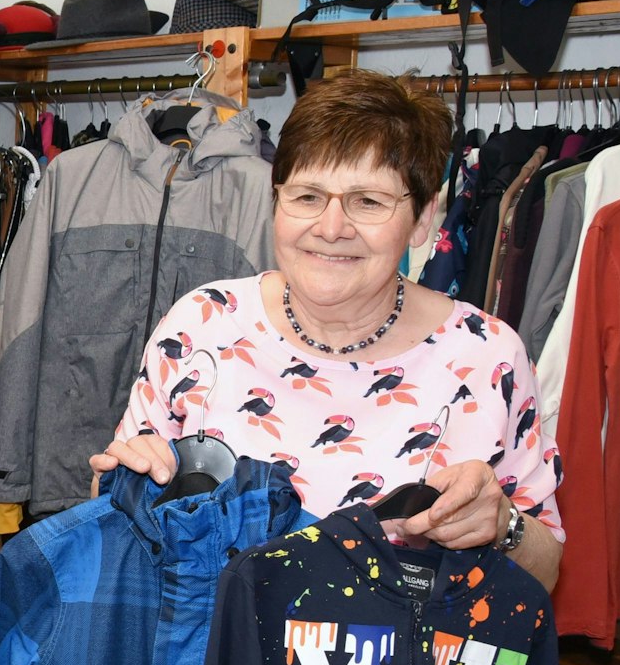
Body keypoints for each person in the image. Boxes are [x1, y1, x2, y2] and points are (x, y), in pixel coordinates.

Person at [92, 69, 564, 589]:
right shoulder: (202, 324)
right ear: (277, 201)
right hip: (204, 662)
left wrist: (504, 526)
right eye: (308, 196)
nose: (332, 228)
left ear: (425, 217)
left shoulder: (486, 355)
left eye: (368, 201)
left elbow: (546, 573)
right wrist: (123, 476)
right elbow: (110, 513)